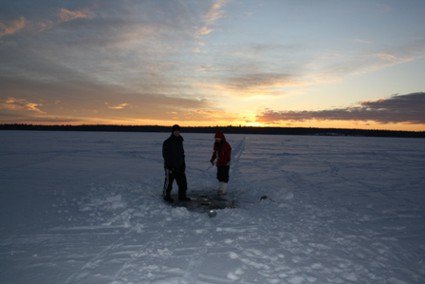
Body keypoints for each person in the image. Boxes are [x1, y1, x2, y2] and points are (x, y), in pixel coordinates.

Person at [162, 124, 190, 203]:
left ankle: (182, 196)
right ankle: (166, 196)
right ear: (173, 132)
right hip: (170, 167)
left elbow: (182, 154)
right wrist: (169, 166)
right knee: (169, 183)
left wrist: (183, 164)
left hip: (180, 166)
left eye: (178, 131)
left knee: (183, 183)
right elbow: (165, 155)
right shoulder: (167, 142)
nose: (177, 133)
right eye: (175, 131)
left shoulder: (180, 141)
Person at [210, 130, 232, 195]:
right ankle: (220, 188)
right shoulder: (216, 144)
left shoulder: (226, 145)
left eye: (218, 138)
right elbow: (215, 153)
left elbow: (228, 154)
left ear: (221, 138)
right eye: (216, 138)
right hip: (219, 163)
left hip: (225, 164)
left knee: (224, 176)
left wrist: (227, 161)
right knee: (219, 176)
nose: (216, 139)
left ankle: (223, 190)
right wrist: (212, 159)